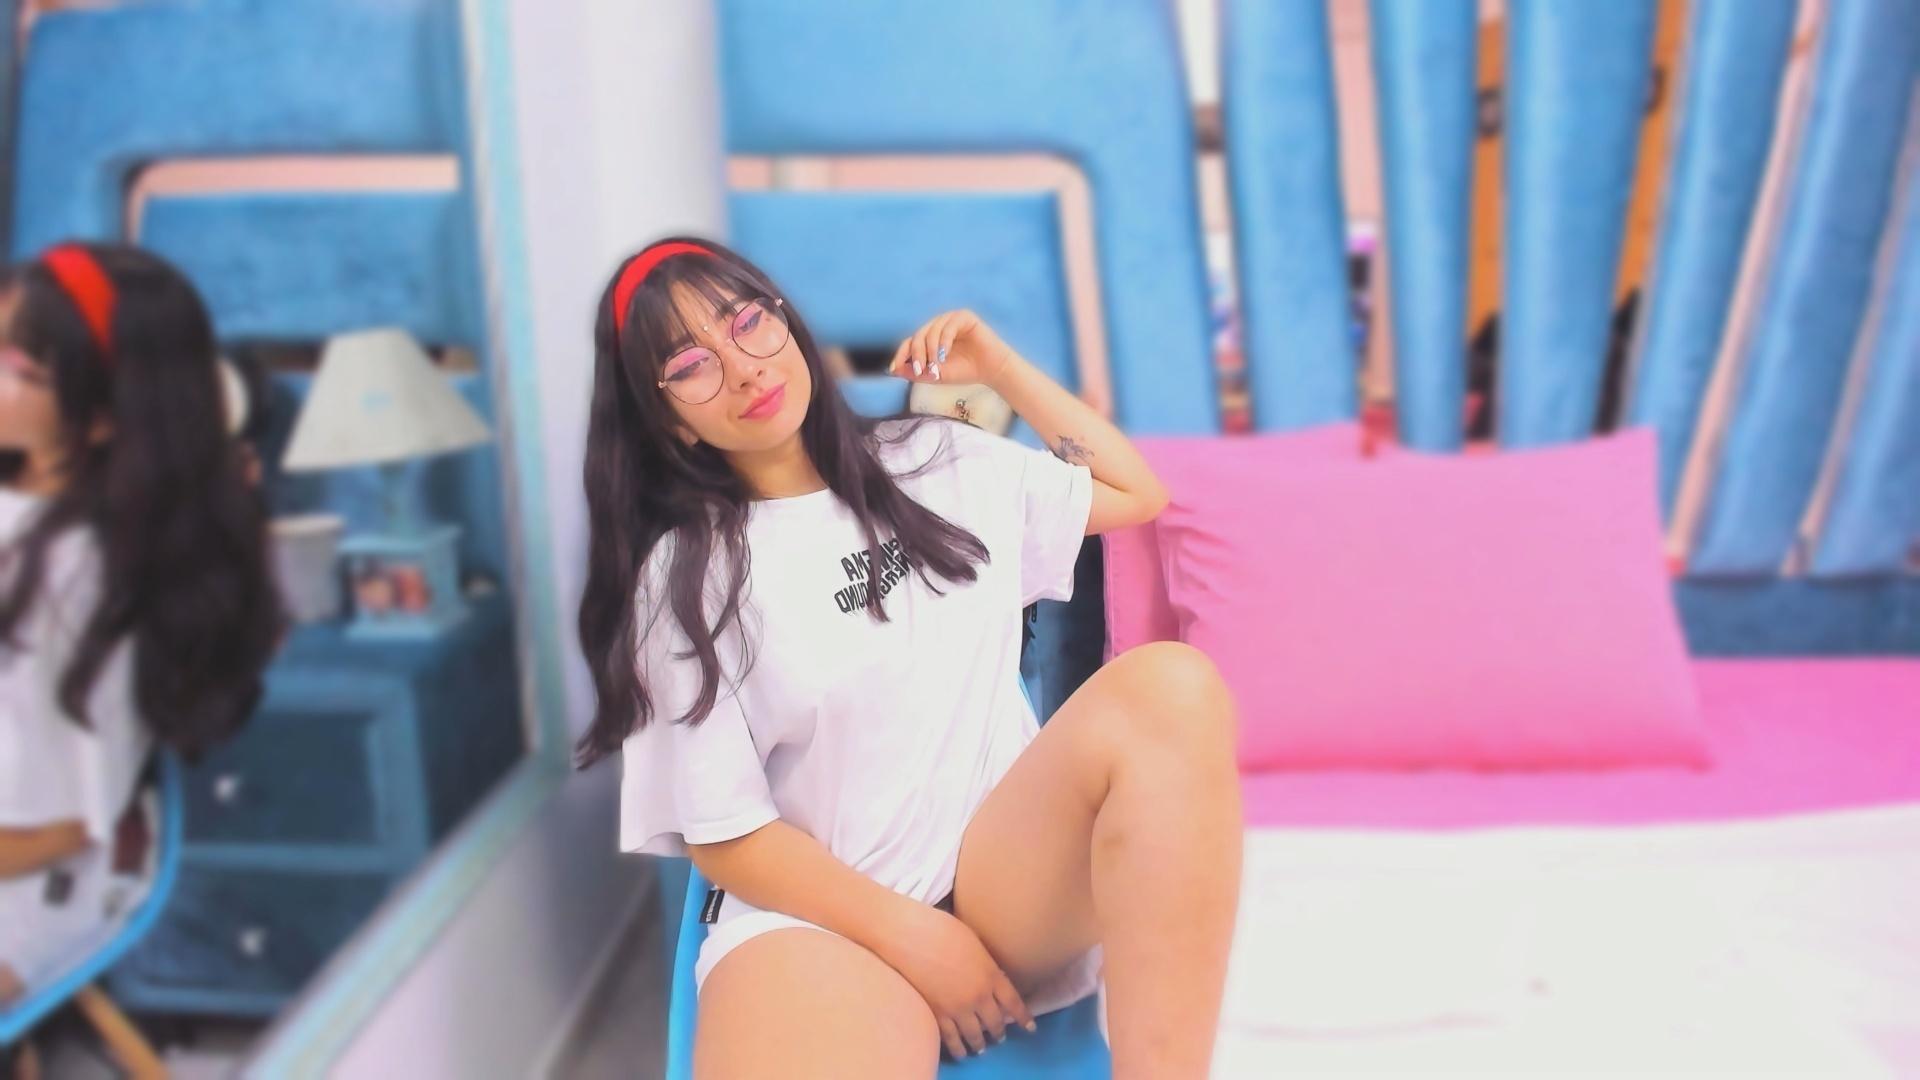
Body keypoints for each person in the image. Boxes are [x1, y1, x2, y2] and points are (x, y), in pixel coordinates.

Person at [576, 238, 1242, 1079]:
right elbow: (727, 833)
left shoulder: (939, 460)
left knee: (1175, 688)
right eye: (692, 365)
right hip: (825, 915)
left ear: (784, 321)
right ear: (670, 417)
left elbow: (1134, 493)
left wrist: (999, 370)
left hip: (1005, 875)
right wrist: (918, 938)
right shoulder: (686, 576)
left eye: (746, 323)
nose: (743, 369)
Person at [0, 243, 283, 1013]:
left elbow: (57, 828)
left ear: (97, 419)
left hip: (39, 879)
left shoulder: (76, 575)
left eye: (18, 368)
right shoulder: (26, 508)